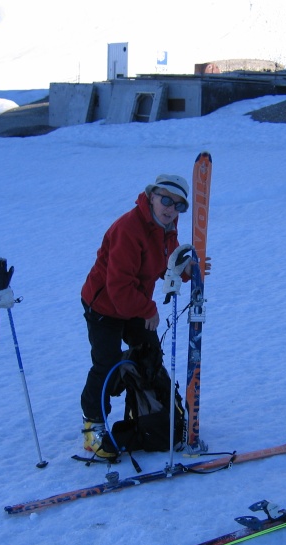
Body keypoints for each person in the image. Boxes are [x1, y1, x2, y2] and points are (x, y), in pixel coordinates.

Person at [80, 173, 191, 459]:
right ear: (151, 195)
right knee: (105, 363)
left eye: (178, 205)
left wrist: (184, 269)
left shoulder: (167, 226)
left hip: (133, 301)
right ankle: (93, 425)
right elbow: (118, 288)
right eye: (165, 199)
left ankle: (151, 412)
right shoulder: (128, 229)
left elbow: (161, 263)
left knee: (150, 353)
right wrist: (147, 309)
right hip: (104, 304)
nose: (170, 208)